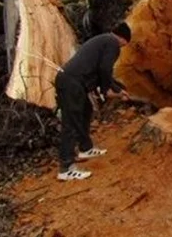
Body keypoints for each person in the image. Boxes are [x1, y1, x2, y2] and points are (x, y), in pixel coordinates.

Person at [54, 22, 132, 180]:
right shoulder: (112, 43)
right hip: (72, 83)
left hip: (71, 81)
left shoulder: (103, 40)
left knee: (86, 111)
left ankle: (85, 147)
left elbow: (100, 71)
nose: (122, 48)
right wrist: (106, 91)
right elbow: (105, 69)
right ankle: (66, 168)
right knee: (71, 123)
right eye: (125, 45)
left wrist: (117, 88)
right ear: (123, 39)